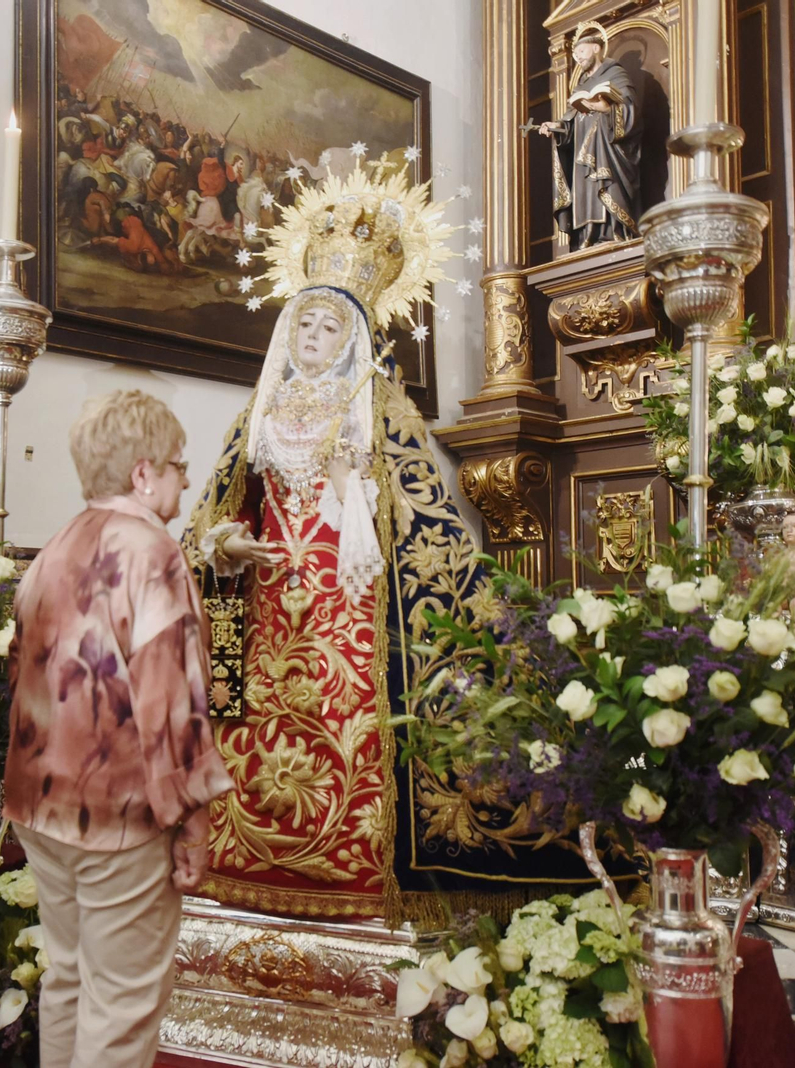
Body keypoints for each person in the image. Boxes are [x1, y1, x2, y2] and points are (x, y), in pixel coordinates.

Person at [183, 163, 611, 923]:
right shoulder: (258, 411)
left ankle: (355, 875)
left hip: (353, 603)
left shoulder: (375, 410)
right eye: (306, 324)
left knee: (353, 728)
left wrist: (352, 486)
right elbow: (220, 510)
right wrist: (224, 544)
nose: (315, 338)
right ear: (287, 330)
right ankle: (245, 861)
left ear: (354, 337)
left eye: (330, 327)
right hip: (269, 600)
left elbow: (419, 523)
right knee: (259, 726)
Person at [3, 391, 234, 1068]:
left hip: (40, 804)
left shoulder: (55, 545)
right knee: (123, 1004)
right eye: (176, 465)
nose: (186, 480)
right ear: (142, 473)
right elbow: (170, 698)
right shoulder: (152, 550)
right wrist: (191, 818)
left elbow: (22, 671)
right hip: (120, 813)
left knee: (68, 978)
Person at [535, 20, 641, 250]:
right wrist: (557, 127)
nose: (578, 58)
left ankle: (614, 231)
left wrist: (607, 109)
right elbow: (571, 124)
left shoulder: (615, 73)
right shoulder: (580, 85)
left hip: (607, 149)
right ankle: (588, 234)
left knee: (605, 185)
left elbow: (630, 110)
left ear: (596, 48)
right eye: (574, 55)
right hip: (584, 155)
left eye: (581, 52)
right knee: (586, 191)